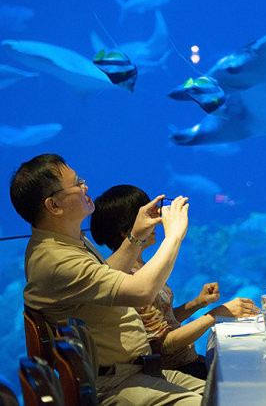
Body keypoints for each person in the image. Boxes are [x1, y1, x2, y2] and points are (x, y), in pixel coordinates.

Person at [10, 154, 205, 404]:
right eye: (77, 183)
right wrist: (174, 235)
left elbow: (105, 274)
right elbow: (142, 291)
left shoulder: (66, 242)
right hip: (115, 386)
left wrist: (137, 234)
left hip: (138, 372)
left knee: (230, 391)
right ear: (54, 206)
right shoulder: (54, 260)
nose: (85, 186)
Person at [90, 184, 259, 379]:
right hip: (175, 372)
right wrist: (216, 314)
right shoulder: (128, 279)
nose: (157, 220)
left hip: (189, 362)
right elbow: (163, 344)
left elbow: (163, 322)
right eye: (147, 214)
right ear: (125, 229)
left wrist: (198, 303)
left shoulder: (141, 267)